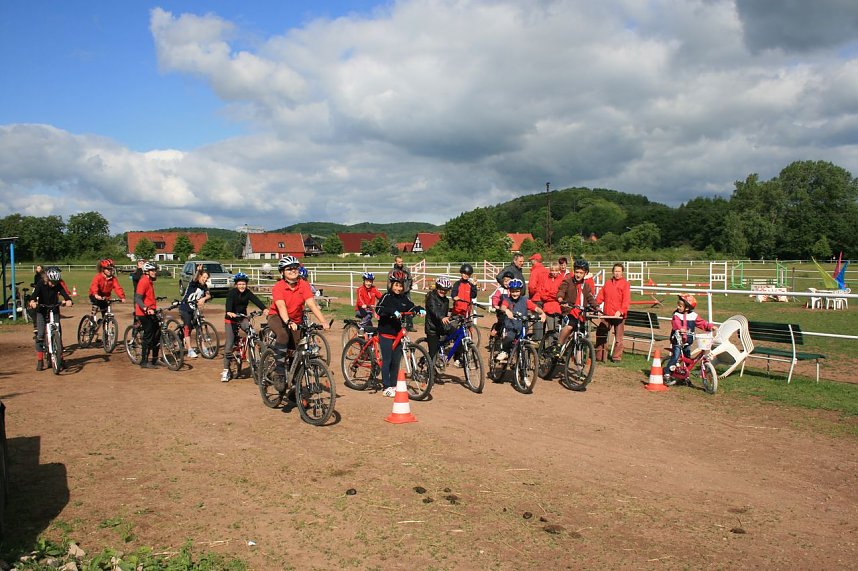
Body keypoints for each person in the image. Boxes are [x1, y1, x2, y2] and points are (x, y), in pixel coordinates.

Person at [266, 256, 330, 378]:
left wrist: (323, 321)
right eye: (289, 269)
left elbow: (311, 304)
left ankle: (294, 382)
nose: (293, 270)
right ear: (282, 272)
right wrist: (288, 322)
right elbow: (281, 306)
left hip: (296, 319)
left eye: (295, 268)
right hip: (277, 317)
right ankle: (279, 372)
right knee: (283, 335)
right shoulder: (278, 287)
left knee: (297, 349)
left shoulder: (304, 285)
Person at [375, 270, 424, 397]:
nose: (398, 288)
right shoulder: (386, 297)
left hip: (397, 334)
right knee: (387, 360)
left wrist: (419, 309)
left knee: (396, 361)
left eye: (401, 286)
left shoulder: (404, 298)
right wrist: (391, 311)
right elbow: (379, 309)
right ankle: (386, 387)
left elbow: (411, 307)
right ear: (391, 285)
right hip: (386, 332)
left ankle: (393, 385)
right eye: (396, 285)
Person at [221, 272, 268, 382]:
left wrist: (264, 309)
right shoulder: (232, 293)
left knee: (251, 330)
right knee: (229, 344)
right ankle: (226, 370)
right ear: (236, 285)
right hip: (231, 319)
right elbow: (229, 303)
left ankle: (254, 346)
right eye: (240, 284)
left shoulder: (248, 293)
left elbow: (256, 300)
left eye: (244, 284)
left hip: (242, 318)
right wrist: (229, 312)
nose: (242, 286)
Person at [664, 294, 716, 386]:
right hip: (677, 340)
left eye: (680, 306)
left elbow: (701, 323)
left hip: (688, 341)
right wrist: (680, 329)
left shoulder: (693, 316)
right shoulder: (676, 315)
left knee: (688, 358)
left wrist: (710, 327)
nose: (678, 307)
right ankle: (667, 374)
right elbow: (676, 324)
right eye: (678, 305)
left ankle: (685, 376)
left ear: (687, 308)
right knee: (676, 356)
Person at [29, 266, 73, 371]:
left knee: (58, 333)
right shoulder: (41, 284)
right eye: (52, 282)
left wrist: (68, 300)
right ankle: (40, 360)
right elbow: (33, 296)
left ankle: (60, 359)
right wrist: (32, 302)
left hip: (54, 309)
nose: (53, 284)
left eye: (55, 282)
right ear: (47, 279)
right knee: (40, 335)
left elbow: (65, 294)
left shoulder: (58, 284)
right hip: (42, 310)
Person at [495, 279, 545, 363]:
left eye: (517, 291)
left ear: (520, 291)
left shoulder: (525, 300)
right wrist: (507, 310)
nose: (515, 294)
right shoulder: (507, 300)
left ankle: (521, 361)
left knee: (524, 342)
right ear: (509, 291)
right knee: (510, 337)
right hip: (511, 327)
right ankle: (504, 351)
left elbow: (535, 308)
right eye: (513, 291)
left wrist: (542, 313)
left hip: (523, 327)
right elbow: (503, 307)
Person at [556, 259, 598, 348]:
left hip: (580, 314)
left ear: (585, 273)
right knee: (570, 326)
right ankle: (558, 346)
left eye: (581, 273)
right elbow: (561, 291)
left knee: (581, 335)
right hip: (569, 311)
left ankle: (577, 355)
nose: (578, 275)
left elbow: (590, 297)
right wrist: (560, 299)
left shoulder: (586, 286)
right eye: (576, 272)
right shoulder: (568, 282)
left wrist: (596, 307)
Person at [594, 263, 631, 363]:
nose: (617, 273)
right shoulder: (607, 283)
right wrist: (595, 306)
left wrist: (621, 311)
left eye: (619, 271)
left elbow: (626, 300)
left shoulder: (625, 284)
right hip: (607, 314)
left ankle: (616, 357)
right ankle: (599, 356)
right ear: (612, 272)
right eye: (615, 271)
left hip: (619, 316)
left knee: (618, 338)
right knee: (601, 333)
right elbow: (600, 296)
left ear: (622, 272)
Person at [178, 268, 212, 359]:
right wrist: (198, 271)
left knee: (199, 327)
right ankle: (189, 350)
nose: (205, 279)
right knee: (188, 327)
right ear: (200, 276)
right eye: (203, 277)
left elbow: (209, 295)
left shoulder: (204, 286)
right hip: (185, 308)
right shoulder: (193, 283)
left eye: (207, 278)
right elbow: (195, 277)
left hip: (194, 309)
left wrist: (204, 298)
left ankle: (203, 347)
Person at [135, 261, 161, 369]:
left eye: (155, 270)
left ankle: (155, 359)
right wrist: (146, 308)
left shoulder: (149, 281)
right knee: (148, 335)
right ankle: (144, 361)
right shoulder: (143, 281)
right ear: (147, 271)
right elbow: (138, 298)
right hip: (143, 313)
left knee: (157, 334)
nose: (155, 272)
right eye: (152, 270)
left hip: (151, 311)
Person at [425, 276, 453, 366]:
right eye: (441, 289)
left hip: (442, 326)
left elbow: (445, 312)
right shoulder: (431, 297)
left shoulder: (446, 300)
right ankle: (429, 369)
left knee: (457, 334)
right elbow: (434, 309)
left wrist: (453, 314)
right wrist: (442, 317)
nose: (443, 291)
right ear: (437, 288)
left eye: (445, 290)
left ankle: (460, 358)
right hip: (432, 328)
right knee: (433, 354)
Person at [388, 256, 415, 331]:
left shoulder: (406, 270)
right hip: (396, 293)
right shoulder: (392, 271)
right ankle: (397, 324)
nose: (401, 263)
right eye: (399, 262)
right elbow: (389, 283)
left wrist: (408, 288)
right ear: (395, 262)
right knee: (397, 308)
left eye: (402, 261)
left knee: (409, 307)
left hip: (406, 292)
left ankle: (409, 325)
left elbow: (410, 279)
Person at [490, 271, 514, 338]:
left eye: (509, 281)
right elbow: (495, 297)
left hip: (511, 310)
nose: (507, 283)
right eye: (505, 281)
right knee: (501, 320)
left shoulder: (513, 290)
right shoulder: (500, 290)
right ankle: (495, 330)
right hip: (501, 310)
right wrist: (495, 305)